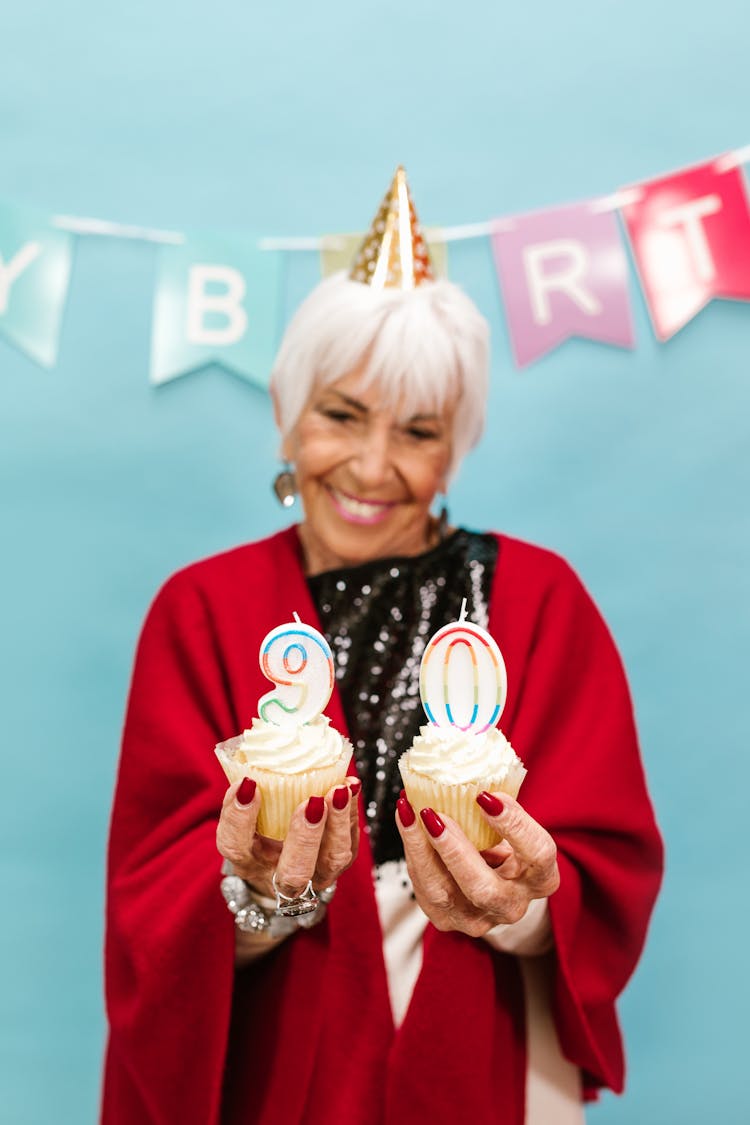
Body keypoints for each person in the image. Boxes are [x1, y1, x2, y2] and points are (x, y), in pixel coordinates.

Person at [102, 168, 663, 1125]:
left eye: (418, 430)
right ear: (290, 412)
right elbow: (148, 911)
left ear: (458, 447)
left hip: (481, 1049)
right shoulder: (199, 609)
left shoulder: (540, 601)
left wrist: (519, 898)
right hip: (276, 1059)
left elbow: (605, 875)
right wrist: (260, 893)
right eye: (341, 415)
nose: (371, 467)